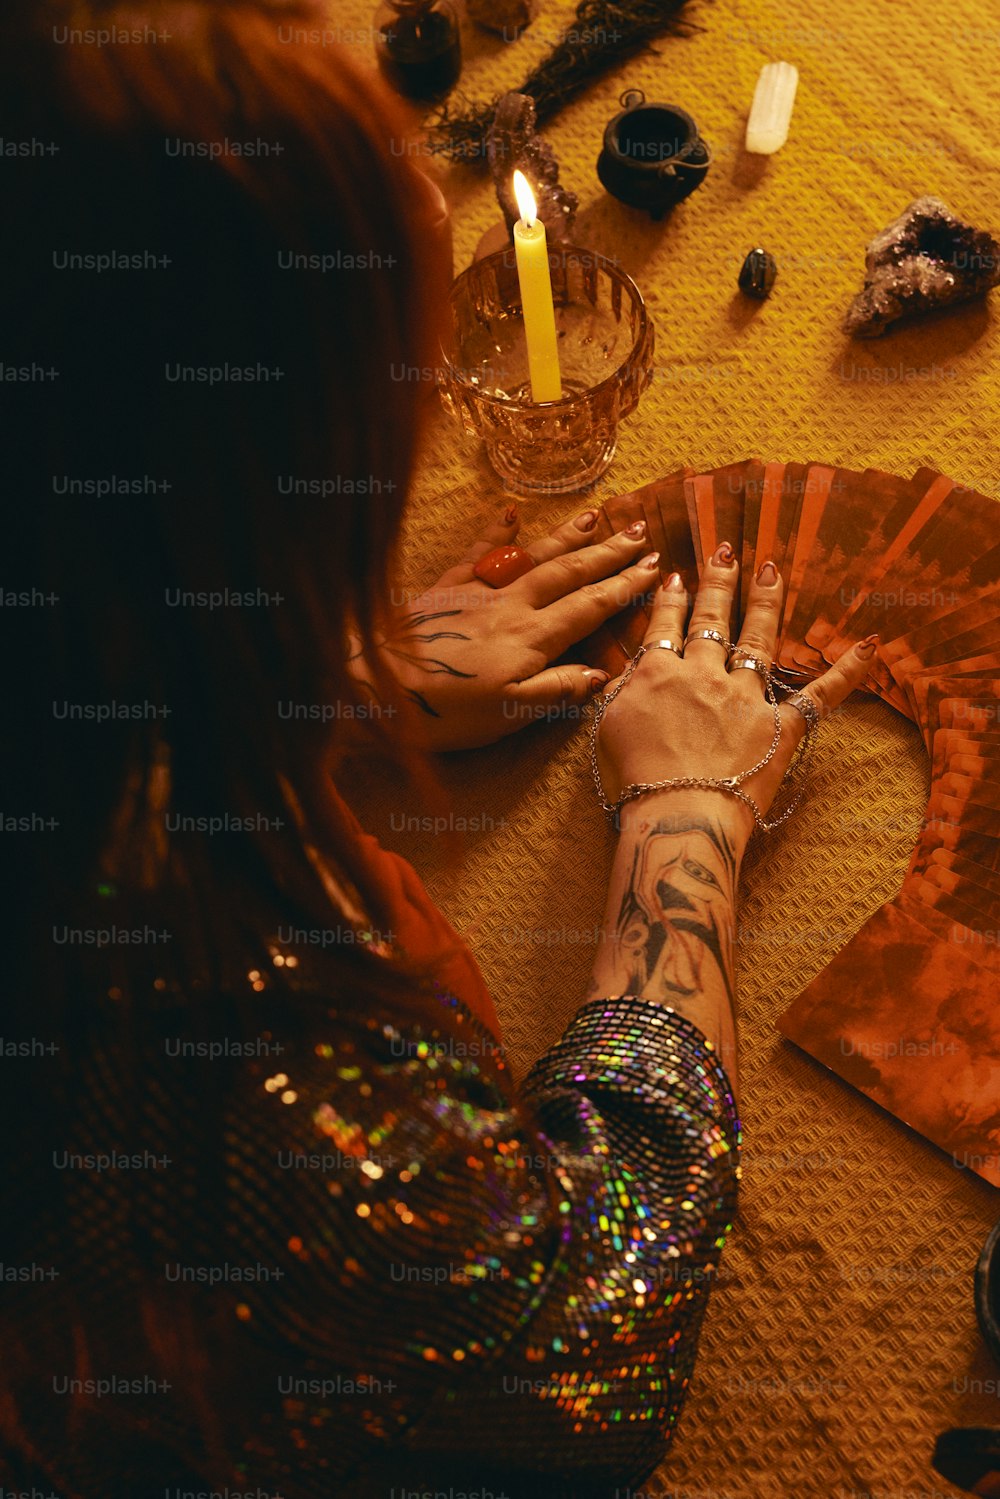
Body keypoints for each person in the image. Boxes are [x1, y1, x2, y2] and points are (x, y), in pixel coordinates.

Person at [0, 3, 876, 1495]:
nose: (430, 184)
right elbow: (566, 1371)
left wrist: (305, 686)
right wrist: (685, 819)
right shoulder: (236, 1027)